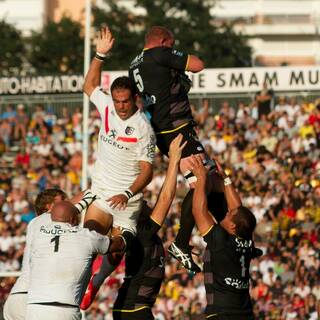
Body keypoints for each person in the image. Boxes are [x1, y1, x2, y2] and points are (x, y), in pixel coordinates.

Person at [129, 25, 216, 272]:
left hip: (161, 130)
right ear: (164, 41)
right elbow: (198, 64)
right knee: (202, 180)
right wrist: (175, 61)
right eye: (171, 44)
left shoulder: (133, 63)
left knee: (210, 178)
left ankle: (198, 238)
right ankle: (181, 242)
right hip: (176, 128)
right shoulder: (159, 53)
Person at [81, 25, 155, 309]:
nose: (121, 107)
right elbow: (89, 86)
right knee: (89, 236)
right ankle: (81, 282)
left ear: (134, 99)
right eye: (117, 101)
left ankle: (96, 284)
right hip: (102, 192)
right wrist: (100, 54)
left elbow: (147, 171)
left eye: (126, 102)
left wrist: (127, 192)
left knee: (117, 248)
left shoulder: (142, 128)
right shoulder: (107, 107)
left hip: (128, 200)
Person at [112, 134, 186, 320]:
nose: (146, 202)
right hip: (133, 310)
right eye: (142, 201)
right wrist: (174, 161)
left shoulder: (141, 231)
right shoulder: (141, 232)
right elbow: (166, 198)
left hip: (133, 307)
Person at [25, 200, 129, 320]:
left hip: (33, 309)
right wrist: (128, 229)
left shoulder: (36, 230)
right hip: (65, 310)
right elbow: (118, 245)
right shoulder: (85, 236)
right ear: (73, 219)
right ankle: (98, 279)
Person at [190, 155, 258, 320]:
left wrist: (201, 179)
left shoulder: (221, 241)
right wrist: (226, 179)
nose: (226, 213)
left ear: (233, 226)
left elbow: (199, 211)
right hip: (245, 313)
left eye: (229, 215)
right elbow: (238, 210)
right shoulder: (247, 240)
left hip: (222, 313)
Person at [3, 188, 67, 320]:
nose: (66, 205)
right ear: (49, 207)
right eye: (62, 202)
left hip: (20, 297)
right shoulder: (44, 219)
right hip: (34, 300)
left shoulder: (38, 225)